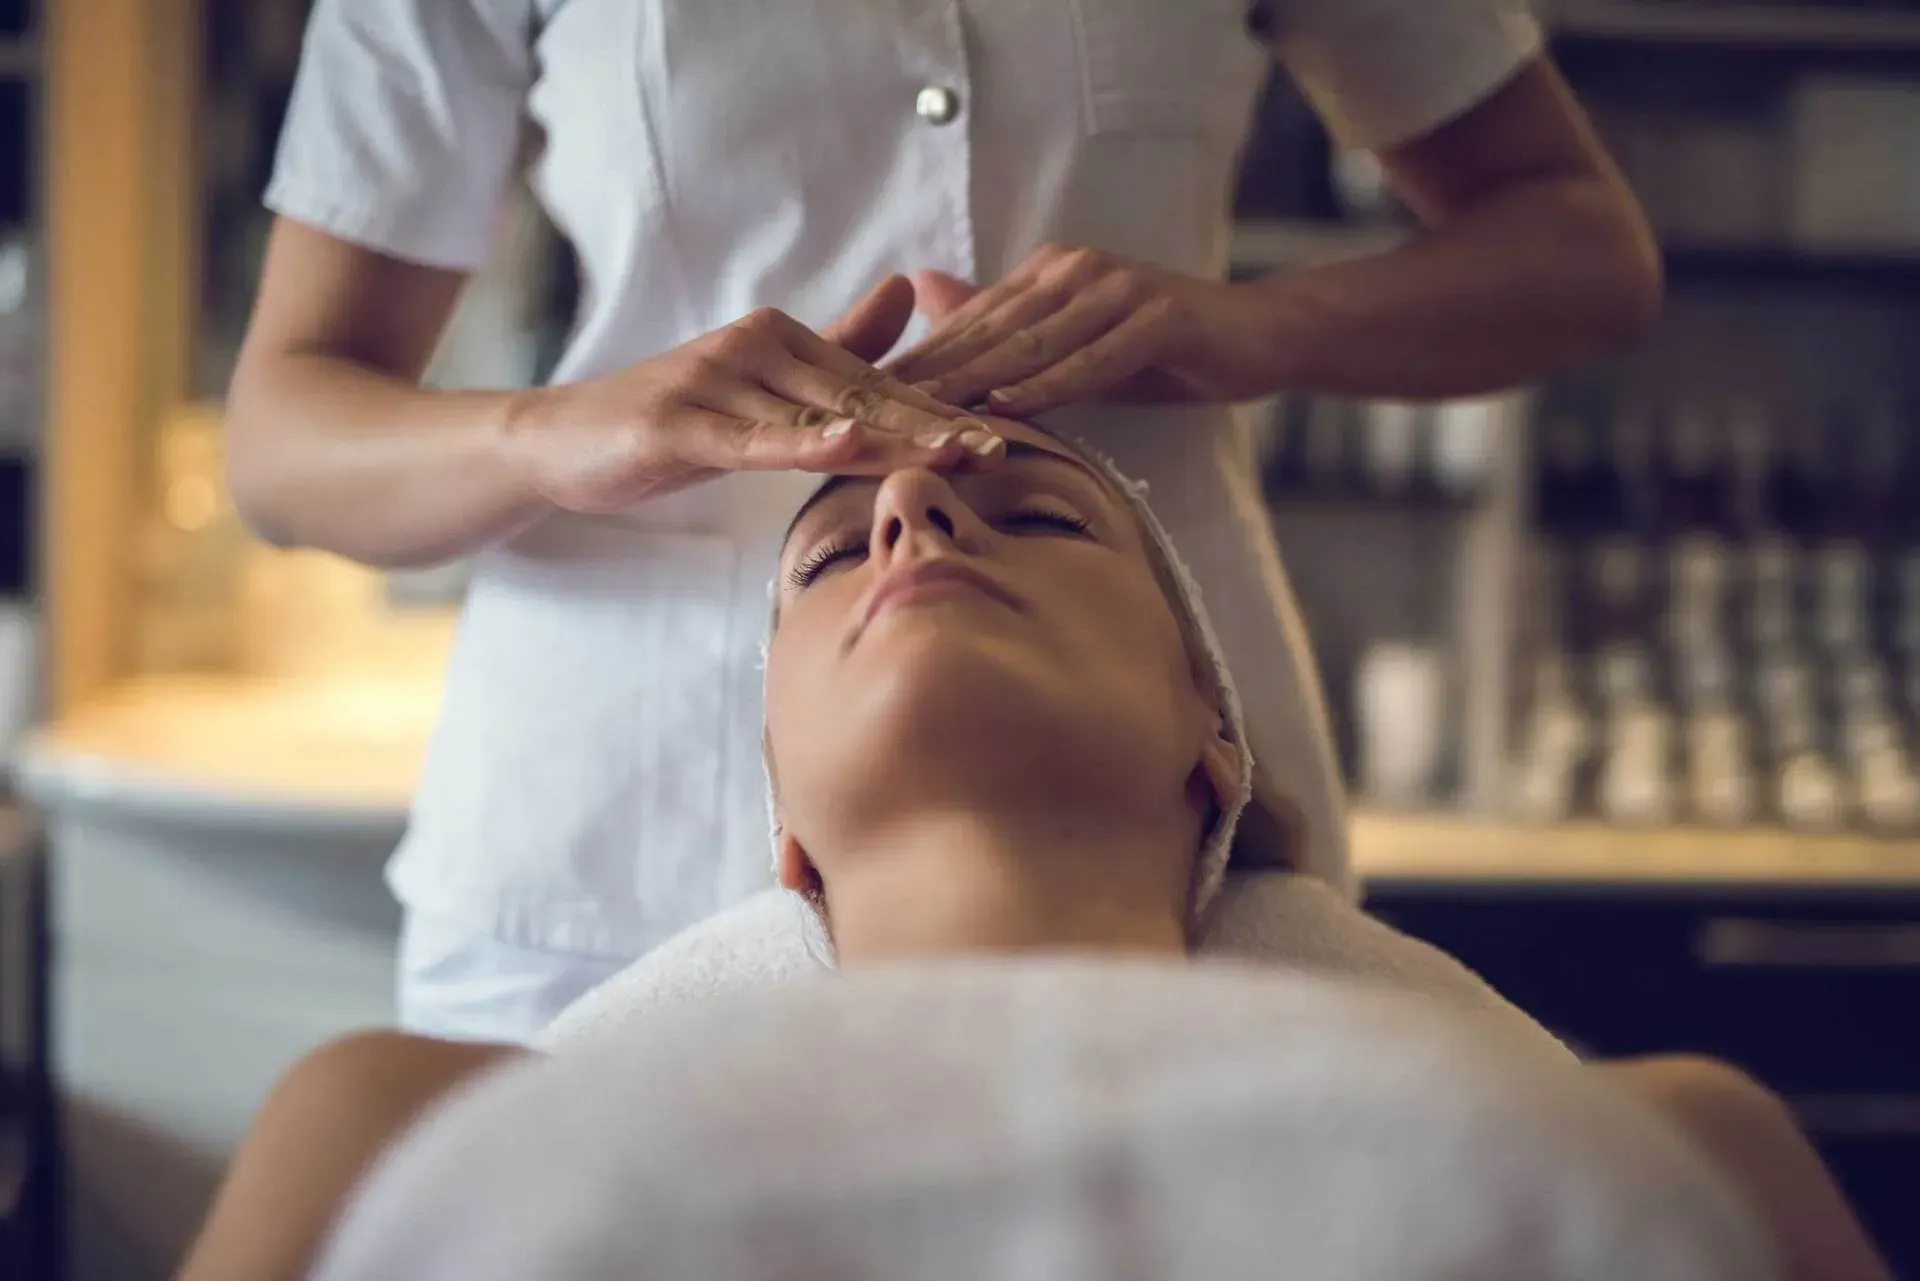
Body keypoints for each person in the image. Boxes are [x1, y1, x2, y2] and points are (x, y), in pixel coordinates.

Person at [231, 0, 1663, 1040]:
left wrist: (1254, 329)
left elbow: (1581, 248)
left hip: (1137, 827)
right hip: (610, 837)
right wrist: (559, 432)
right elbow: (282, 441)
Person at [178, 426, 1888, 1281]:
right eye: (830, 558)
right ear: (786, 826)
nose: (913, 513)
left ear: (1215, 738)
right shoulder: (373, 1129)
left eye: (1043, 514)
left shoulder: (1699, 1149)